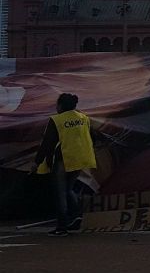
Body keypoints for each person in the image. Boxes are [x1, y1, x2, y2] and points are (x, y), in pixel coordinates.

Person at [30, 93, 96, 237]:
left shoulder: (57, 120)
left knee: (60, 193)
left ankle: (61, 227)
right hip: (80, 159)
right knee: (68, 189)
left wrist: (37, 162)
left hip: (63, 159)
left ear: (60, 105)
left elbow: (47, 143)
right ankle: (77, 216)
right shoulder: (83, 118)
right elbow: (92, 137)